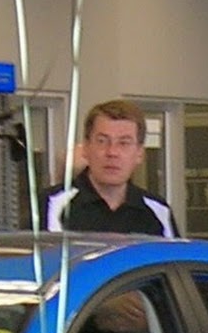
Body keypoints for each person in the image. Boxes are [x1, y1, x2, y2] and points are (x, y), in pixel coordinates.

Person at [45, 99, 177, 236]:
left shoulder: (159, 212)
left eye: (124, 143)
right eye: (102, 141)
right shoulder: (49, 205)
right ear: (86, 148)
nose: (112, 152)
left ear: (140, 153)